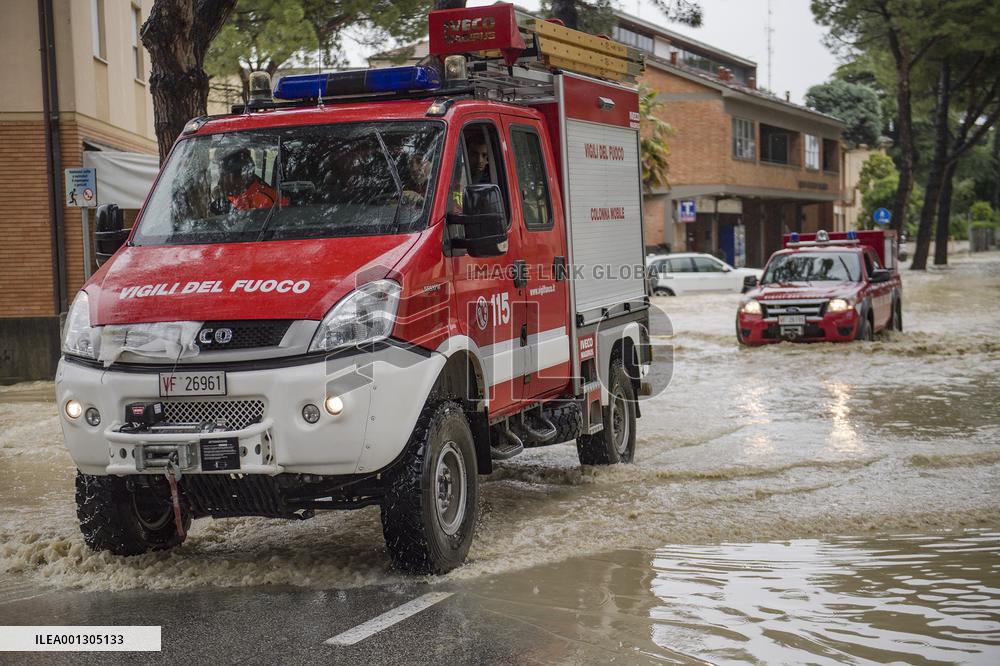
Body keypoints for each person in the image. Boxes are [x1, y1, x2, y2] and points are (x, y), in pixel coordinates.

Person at [217, 148, 285, 211]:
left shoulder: (264, 201)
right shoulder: (234, 197)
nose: (219, 182)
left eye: (224, 176)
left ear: (241, 177)